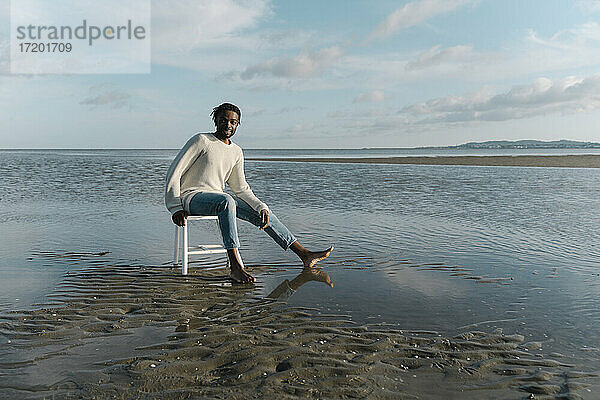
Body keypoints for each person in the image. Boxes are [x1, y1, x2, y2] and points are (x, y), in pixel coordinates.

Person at [165, 103, 333, 283]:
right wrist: (175, 207)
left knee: (260, 211)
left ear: (238, 124)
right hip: (192, 198)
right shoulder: (201, 141)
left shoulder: (236, 151)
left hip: (219, 200)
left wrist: (261, 206)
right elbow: (174, 172)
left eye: (233, 122)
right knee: (227, 200)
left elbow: (241, 188)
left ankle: (304, 254)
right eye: (224, 120)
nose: (228, 125)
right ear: (216, 121)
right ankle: (235, 266)